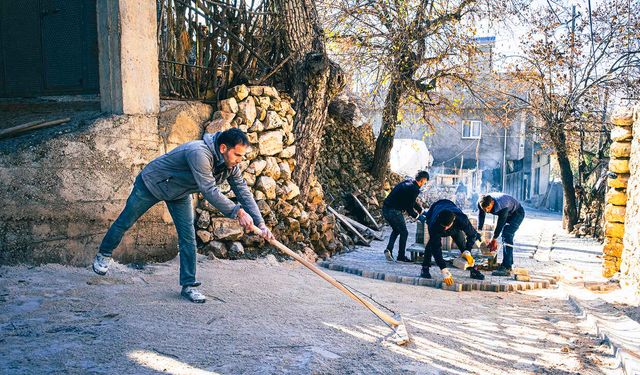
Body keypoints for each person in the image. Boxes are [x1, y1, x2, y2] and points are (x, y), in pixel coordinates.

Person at [92, 128, 274, 303]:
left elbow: (243, 192)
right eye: (237, 155)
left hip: (179, 193)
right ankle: (104, 253)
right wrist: (237, 212)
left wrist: (260, 223)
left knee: (188, 238)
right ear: (223, 148)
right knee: (125, 221)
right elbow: (209, 190)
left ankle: (189, 286)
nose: (239, 160)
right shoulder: (199, 153)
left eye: (242, 156)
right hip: (152, 184)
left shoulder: (230, 166)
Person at [419, 199, 485, 283]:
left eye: (447, 226)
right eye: (443, 226)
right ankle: (425, 267)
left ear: (453, 220)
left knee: (463, 246)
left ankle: (473, 270)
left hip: (452, 213)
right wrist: (443, 269)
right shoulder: (434, 224)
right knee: (431, 244)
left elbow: (472, 235)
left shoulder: (462, 219)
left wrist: (468, 250)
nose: (445, 229)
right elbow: (436, 248)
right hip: (435, 208)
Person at [382, 171, 430, 262]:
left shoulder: (408, 182)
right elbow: (409, 209)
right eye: (425, 181)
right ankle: (401, 256)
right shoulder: (414, 189)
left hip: (385, 209)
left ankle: (389, 249)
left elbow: (411, 201)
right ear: (423, 180)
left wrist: (422, 211)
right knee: (404, 232)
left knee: (397, 230)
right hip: (394, 211)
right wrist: (419, 217)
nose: (425, 184)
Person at [477, 193, 525, 276]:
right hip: (509, 212)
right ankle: (509, 262)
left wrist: (494, 239)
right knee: (506, 235)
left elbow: (500, 223)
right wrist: (479, 230)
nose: (487, 211)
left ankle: (506, 267)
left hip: (517, 213)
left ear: (492, 202)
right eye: (485, 209)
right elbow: (481, 215)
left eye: (488, 208)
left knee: (507, 234)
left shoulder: (502, 206)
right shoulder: (481, 202)